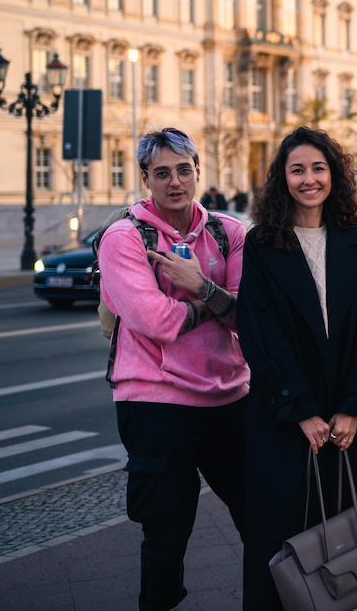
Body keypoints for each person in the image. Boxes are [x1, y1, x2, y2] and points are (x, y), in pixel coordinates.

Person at [97, 128, 247, 611]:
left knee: (264, 516)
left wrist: (199, 287)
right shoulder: (124, 237)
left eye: (184, 170)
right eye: (162, 173)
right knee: (166, 534)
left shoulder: (230, 232)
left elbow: (249, 318)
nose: (175, 182)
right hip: (153, 402)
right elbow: (157, 322)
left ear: (198, 171)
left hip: (228, 398)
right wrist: (216, 301)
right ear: (146, 178)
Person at [237, 127, 357, 611]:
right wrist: (301, 408)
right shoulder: (262, 245)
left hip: (342, 419)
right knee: (279, 543)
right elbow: (262, 335)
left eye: (318, 168)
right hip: (285, 417)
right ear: (282, 178)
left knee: (342, 540)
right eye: (297, 169)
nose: (309, 179)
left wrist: (352, 407)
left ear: (333, 175)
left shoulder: (352, 241)